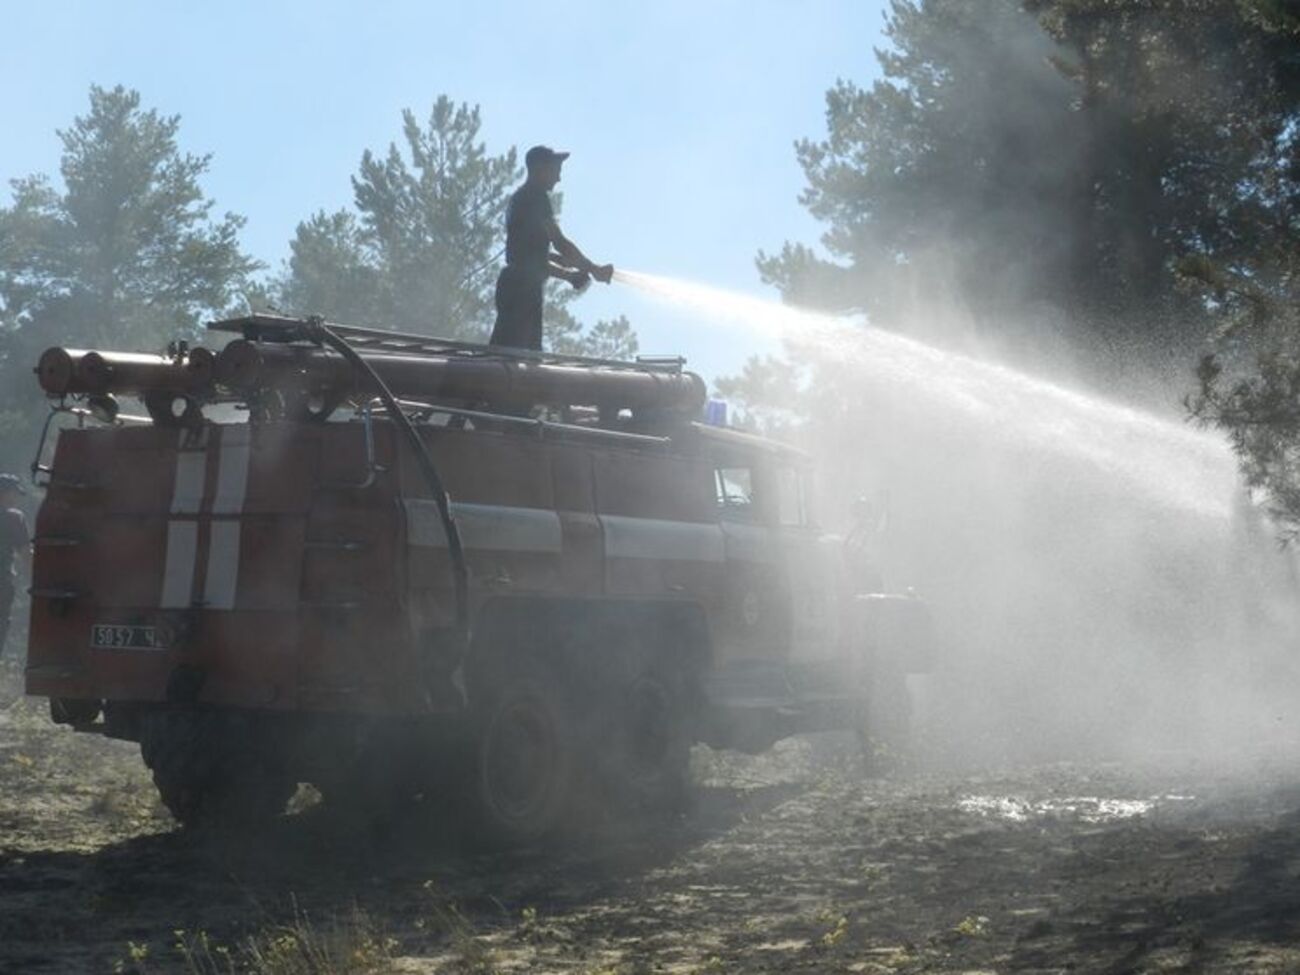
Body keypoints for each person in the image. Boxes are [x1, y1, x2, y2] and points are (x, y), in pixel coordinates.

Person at [488, 145, 614, 351]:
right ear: (540, 169)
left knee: (518, 354)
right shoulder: (534, 198)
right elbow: (559, 242)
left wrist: (568, 274)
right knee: (513, 357)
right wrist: (593, 269)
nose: (558, 178)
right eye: (556, 171)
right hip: (521, 290)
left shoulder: (522, 198)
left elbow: (533, 257)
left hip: (520, 287)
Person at [0, 474, 30, 662]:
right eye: (14, 493)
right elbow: (26, 554)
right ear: (5, 493)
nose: (16, 498)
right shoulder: (13, 518)